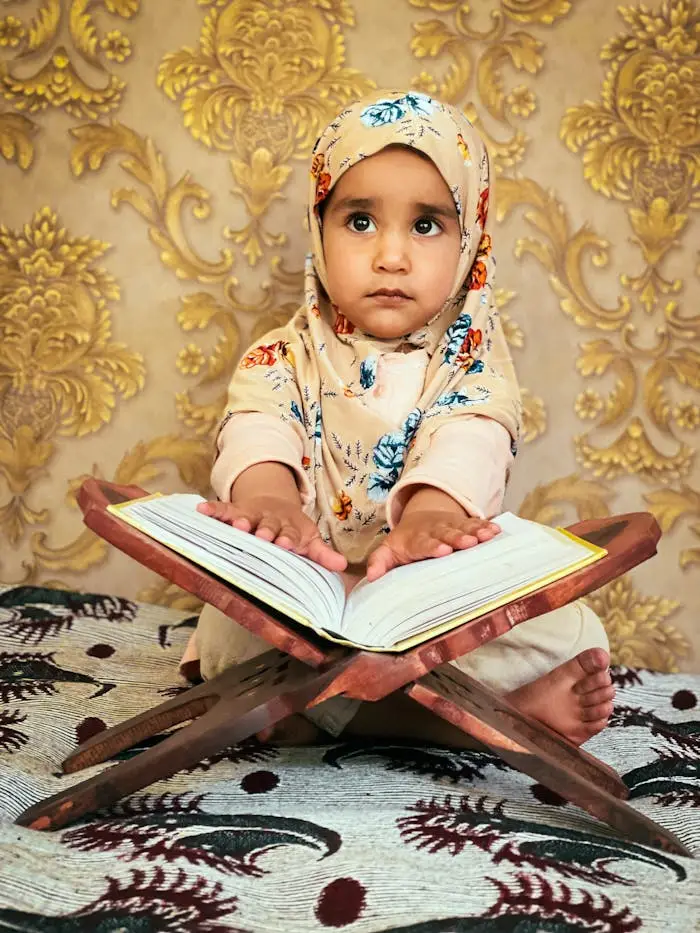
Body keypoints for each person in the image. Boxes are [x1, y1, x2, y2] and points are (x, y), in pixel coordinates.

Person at [180, 90, 615, 748]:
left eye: (425, 225)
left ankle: (329, 719)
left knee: (569, 629)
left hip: (423, 604)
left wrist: (430, 519)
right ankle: (473, 727)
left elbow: (472, 435)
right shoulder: (282, 355)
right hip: (308, 599)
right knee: (231, 632)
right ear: (319, 228)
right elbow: (257, 423)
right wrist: (269, 502)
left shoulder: (471, 364)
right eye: (360, 222)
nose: (391, 255)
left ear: (470, 240)